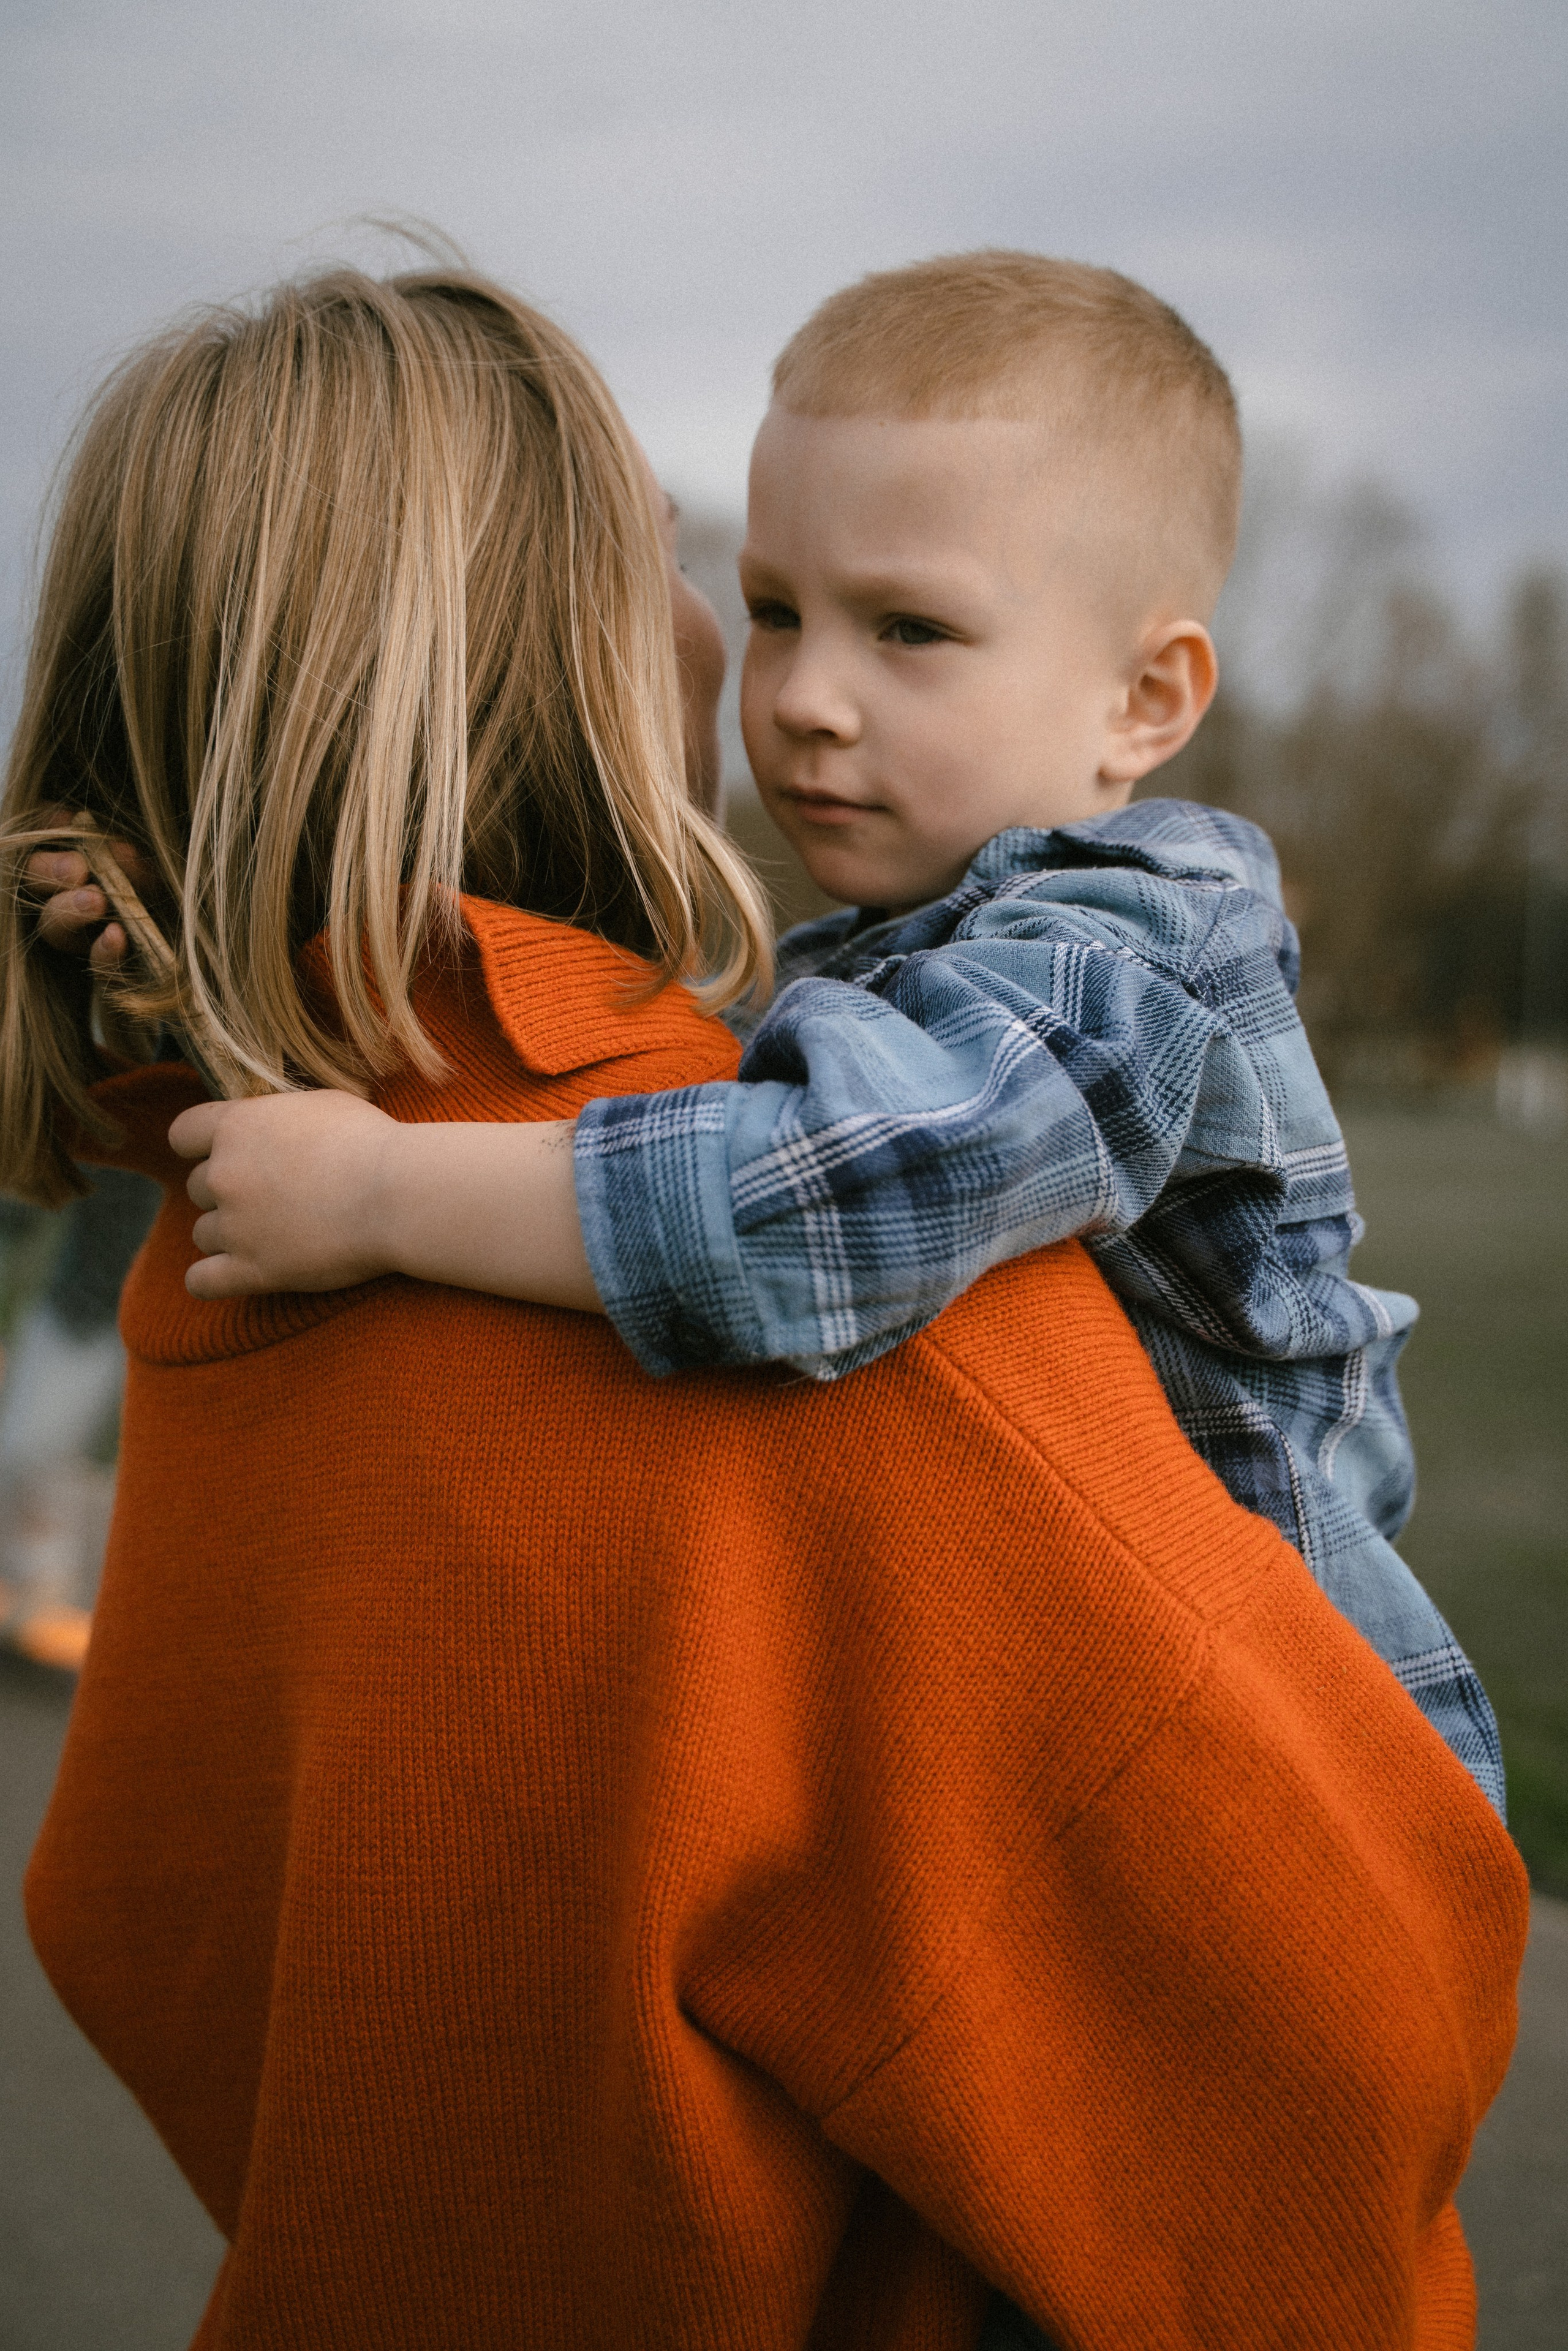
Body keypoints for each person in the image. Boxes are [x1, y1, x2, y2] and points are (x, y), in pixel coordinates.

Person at [2, 262, 1528, 2350]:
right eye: (731, 578)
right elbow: (1326, 2052)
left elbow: (132, 1906)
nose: (790, 682)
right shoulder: (887, 1363)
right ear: (533, 639)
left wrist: (261, 1018)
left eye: (902, 627)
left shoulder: (253, 1186)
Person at [126, 253, 1502, 1811]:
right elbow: (633, 1060)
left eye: (907, 628)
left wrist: (379, 1195)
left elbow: (811, 1195)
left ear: (1143, 697)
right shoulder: (878, 943)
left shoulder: (1129, 951)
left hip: (1292, 1765)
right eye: (776, 608)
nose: (804, 698)